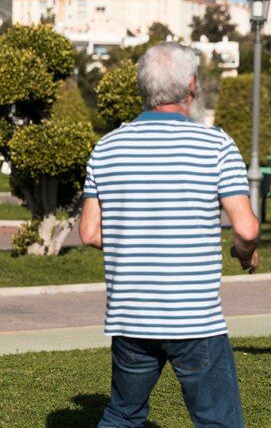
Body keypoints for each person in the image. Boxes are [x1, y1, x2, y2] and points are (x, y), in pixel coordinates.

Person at [80, 41, 260, 428]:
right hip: (195, 319)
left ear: (143, 88)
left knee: (123, 415)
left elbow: (89, 232)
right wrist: (245, 254)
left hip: (130, 317)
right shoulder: (216, 145)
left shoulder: (106, 148)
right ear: (191, 86)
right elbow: (246, 228)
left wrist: (137, 242)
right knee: (218, 421)